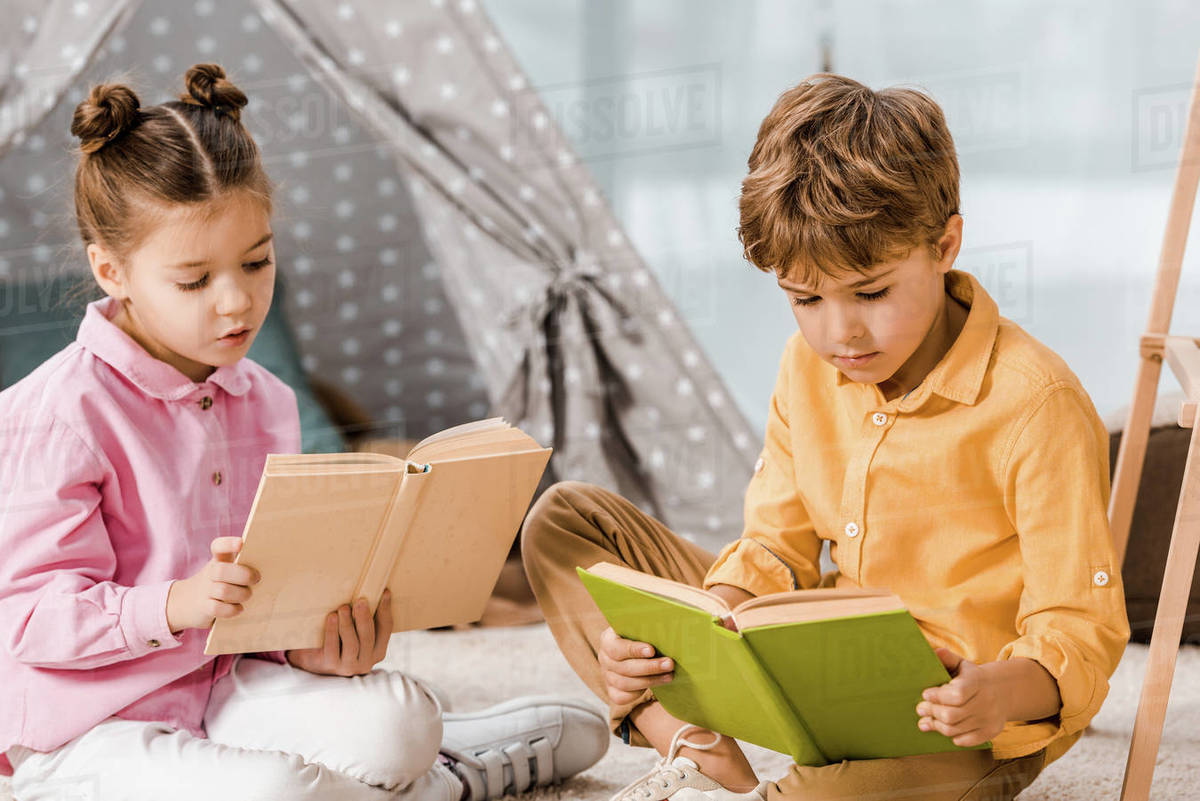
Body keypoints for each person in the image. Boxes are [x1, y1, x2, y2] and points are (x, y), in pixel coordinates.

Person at [0, 63, 607, 801]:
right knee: (276, 790)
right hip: (84, 732)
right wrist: (170, 605)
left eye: (257, 262)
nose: (237, 302)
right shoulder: (57, 413)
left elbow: (262, 604)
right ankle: (447, 779)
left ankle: (431, 756)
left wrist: (315, 649)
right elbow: (24, 615)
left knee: (403, 720)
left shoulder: (266, 398)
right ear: (111, 270)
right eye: (195, 281)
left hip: (222, 691)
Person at [521, 73, 1130, 801]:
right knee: (564, 523)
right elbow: (776, 547)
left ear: (945, 245)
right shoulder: (805, 366)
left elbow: (1079, 624)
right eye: (804, 298)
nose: (839, 332)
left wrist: (1000, 690)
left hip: (950, 715)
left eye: (870, 292)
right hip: (817, 659)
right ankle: (692, 738)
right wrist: (690, 637)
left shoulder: (1037, 404)